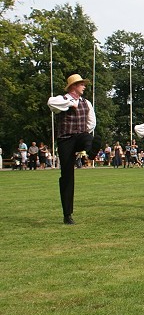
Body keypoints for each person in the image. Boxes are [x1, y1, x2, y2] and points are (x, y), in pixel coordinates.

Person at [47, 74, 98, 225]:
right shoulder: (61, 100)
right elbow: (51, 103)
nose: (84, 86)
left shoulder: (86, 102)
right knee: (67, 176)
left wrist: (84, 134)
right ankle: (67, 214)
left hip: (80, 136)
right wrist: (70, 104)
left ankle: (90, 152)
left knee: (91, 137)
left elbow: (91, 122)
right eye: (81, 84)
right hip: (65, 140)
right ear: (74, 86)